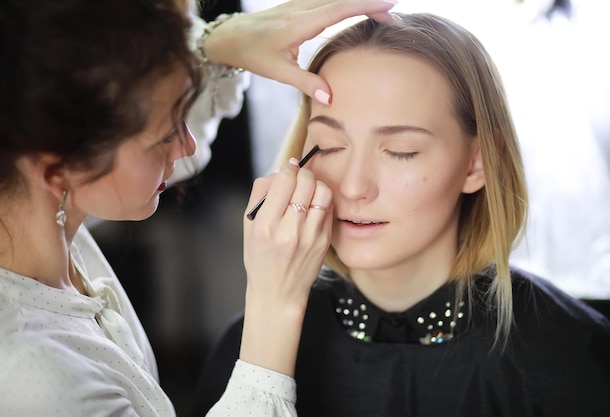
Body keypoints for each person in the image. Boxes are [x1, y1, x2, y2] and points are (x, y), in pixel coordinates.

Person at [191, 12, 610, 417]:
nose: (355, 186)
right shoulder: (252, 344)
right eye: (328, 146)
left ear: (477, 163)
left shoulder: (568, 353)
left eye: (401, 152)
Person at [0, 0, 397, 416]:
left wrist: (217, 41)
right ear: (59, 168)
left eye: (401, 150)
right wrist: (273, 303)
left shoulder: (36, 207)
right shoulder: (35, 381)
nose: (188, 146)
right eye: (165, 134)